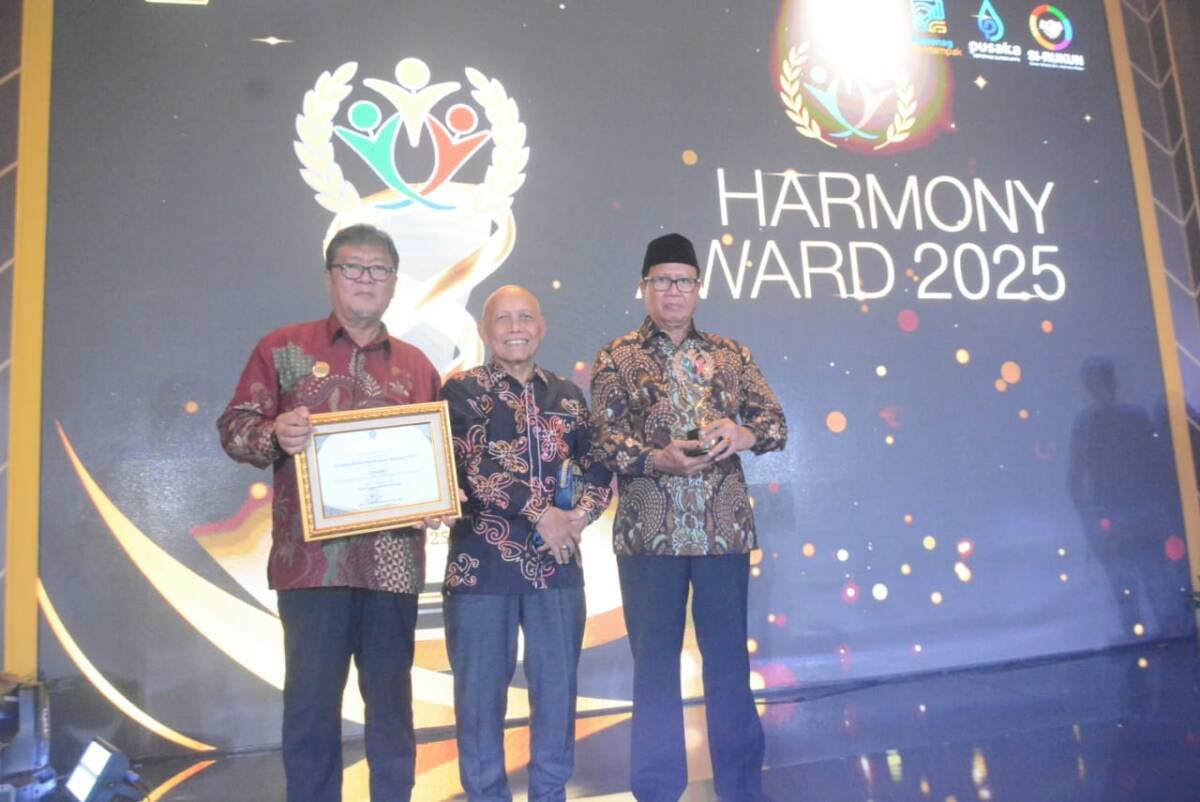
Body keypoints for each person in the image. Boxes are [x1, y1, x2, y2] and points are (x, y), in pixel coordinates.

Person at [217, 223, 445, 802]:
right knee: (312, 708)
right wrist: (274, 432)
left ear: (394, 282)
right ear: (329, 277)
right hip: (312, 566)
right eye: (353, 267)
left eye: (379, 269)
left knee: (392, 707)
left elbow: (436, 458)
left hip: (393, 565)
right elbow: (235, 428)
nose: (366, 279)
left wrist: (436, 499)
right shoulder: (283, 349)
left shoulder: (418, 366)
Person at [590, 233, 787, 802]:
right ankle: (656, 789)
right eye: (662, 281)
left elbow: (775, 423)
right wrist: (657, 458)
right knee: (653, 667)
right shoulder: (616, 357)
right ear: (644, 287)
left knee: (728, 663)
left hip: (723, 531)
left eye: (683, 281)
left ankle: (741, 788)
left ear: (698, 288)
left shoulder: (731, 354)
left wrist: (741, 433)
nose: (673, 291)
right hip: (648, 536)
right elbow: (602, 440)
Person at [441, 285, 613, 802]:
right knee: (479, 702)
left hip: (557, 567)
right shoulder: (460, 392)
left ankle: (549, 794)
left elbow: (597, 465)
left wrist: (578, 518)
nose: (515, 327)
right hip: (481, 571)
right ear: (483, 330)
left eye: (525, 317)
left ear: (542, 327)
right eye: (503, 318)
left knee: (557, 696)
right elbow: (473, 467)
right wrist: (542, 513)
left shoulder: (568, 395)